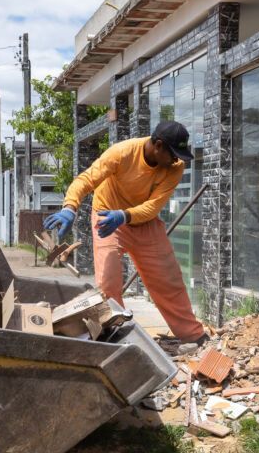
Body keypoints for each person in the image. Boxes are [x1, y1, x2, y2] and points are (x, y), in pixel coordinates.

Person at [44, 120, 207, 344]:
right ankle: (112, 337)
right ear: (158, 145)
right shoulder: (122, 153)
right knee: (108, 281)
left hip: (142, 220)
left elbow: (153, 207)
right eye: (174, 153)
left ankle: (193, 336)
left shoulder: (175, 167)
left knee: (168, 279)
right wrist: (69, 207)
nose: (177, 159)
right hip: (107, 217)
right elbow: (87, 179)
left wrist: (125, 215)